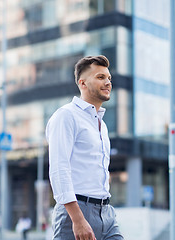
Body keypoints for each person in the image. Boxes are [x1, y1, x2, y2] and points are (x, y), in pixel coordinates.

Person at [46, 55, 124, 240]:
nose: (107, 82)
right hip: (76, 212)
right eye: (100, 77)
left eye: (109, 78)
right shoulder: (66, 116)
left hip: (106, 213)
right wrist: (78, 219)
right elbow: (59, 169)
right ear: (82, 83)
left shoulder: (101, 125)